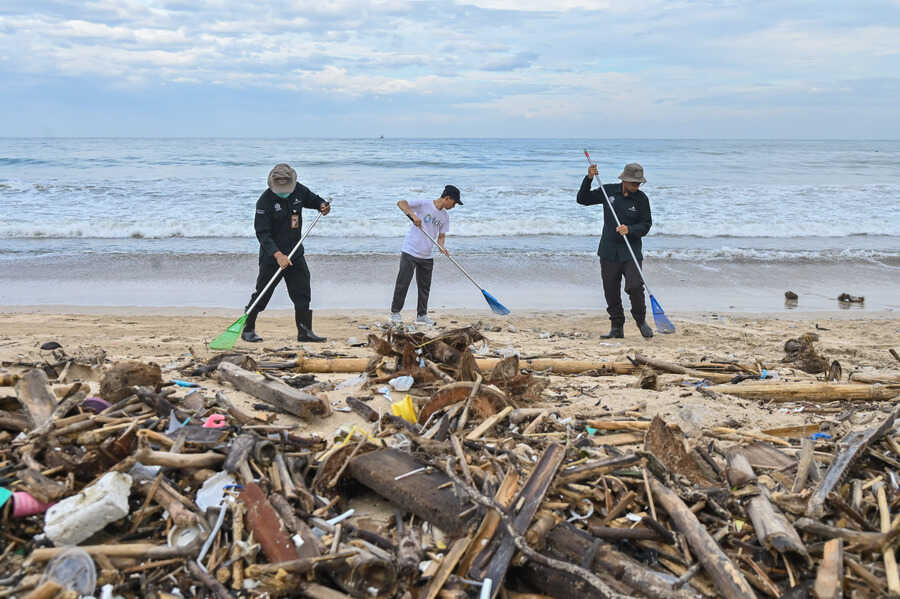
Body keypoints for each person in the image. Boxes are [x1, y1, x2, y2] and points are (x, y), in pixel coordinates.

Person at [240, 163, 331, 343]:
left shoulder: (298, 190)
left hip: (295, 253)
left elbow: (314, 200)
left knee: (302, 292)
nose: (284, 192)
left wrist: (322, 205)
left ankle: (304, 332)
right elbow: (263, 234)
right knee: (263, 293)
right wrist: (278, 255)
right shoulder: (264, 202)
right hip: (272, 256)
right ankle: (248, 329)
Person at [577, 162, 654, 339]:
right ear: (625, 180)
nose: (637, 186)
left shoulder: (642, 199)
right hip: (608, 250)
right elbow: (583, 199)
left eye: (639, 183)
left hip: (631, 250)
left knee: (635, 286)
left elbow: (646, 224)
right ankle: (617, 327)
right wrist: (589, 179)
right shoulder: (608, 191)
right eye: (634, 183)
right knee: (610, 289)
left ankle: (641, 321)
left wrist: (631, 230)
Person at [390, 185, 462, 326]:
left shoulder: (445, 217)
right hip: (410, 251)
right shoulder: (424, 203)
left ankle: (422, 316)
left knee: (424, 287)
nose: (454, 206)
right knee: (402, 283)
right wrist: (413, 215)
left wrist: (442, 246)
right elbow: (401, 202)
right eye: (454, 203)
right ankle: (395, 313)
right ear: (447, 198)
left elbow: (441, 236)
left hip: (427, 255)